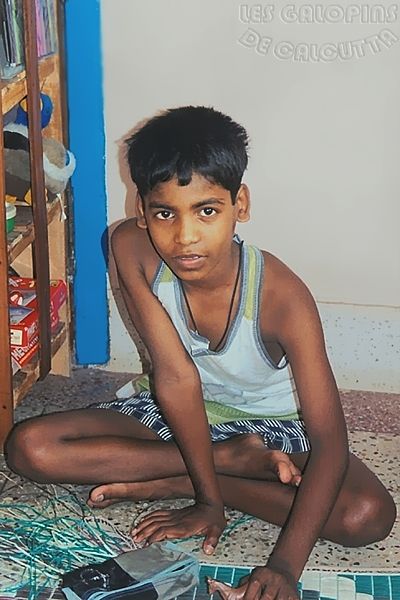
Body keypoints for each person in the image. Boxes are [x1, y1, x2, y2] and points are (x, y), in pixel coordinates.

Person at [5, 106, 396, 600]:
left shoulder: (281, 296)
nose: (185, 237)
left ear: (240, 204)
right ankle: (223, 463)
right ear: (143, 211)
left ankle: (178, 477)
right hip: (174, 411)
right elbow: (176, 379)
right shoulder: (129, 246)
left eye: (206, 211)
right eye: (165, 213)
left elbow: (330, 440)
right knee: (30, 448)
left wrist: (283, 567)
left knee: (365, 516)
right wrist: (210, 500)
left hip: (273, 424)